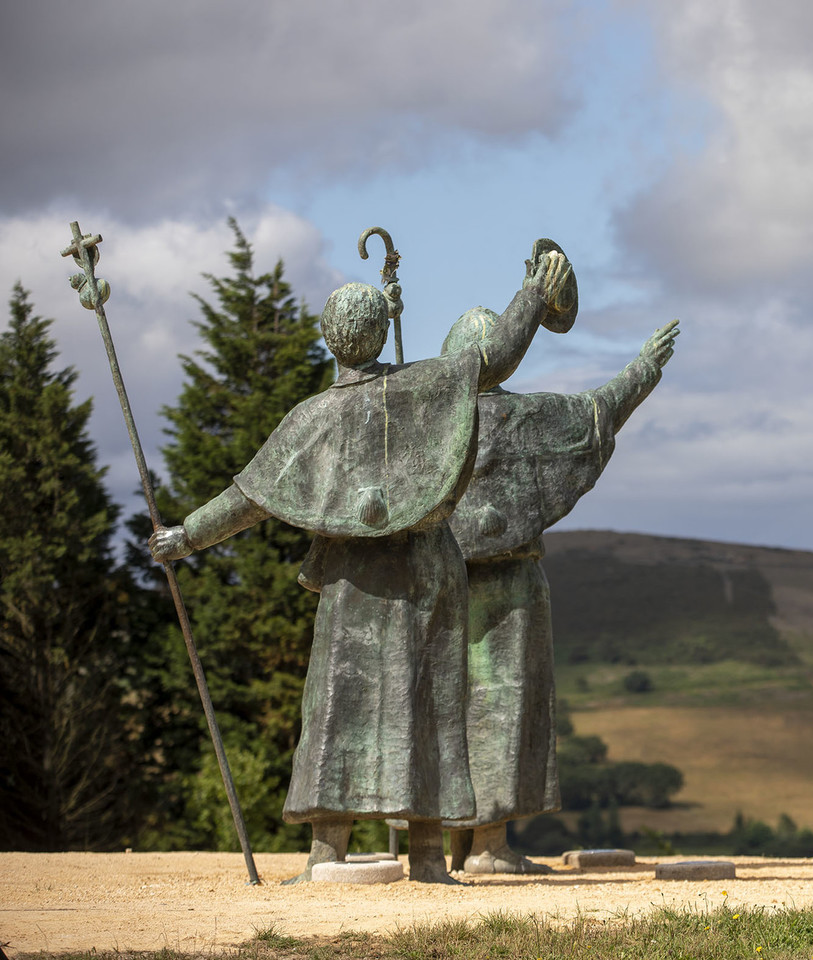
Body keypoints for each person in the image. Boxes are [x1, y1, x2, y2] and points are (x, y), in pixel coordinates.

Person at [149, 244, 575, 883]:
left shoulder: (313, 419)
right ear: (379, 334)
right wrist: (536, 295)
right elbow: (495, 358)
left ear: (329, 340)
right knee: (427, 700)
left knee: (340, 702)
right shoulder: (419, 388)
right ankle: (429, 861)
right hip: (429, 569)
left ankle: (329, 856)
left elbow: (244, 502)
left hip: (359, 578)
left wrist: (183, 536)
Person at [440, 317, 679, 873]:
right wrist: (644, 367)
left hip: (437, 585)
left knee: (447, 707)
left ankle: (452, 847)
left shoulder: (421, 418)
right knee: (499, 703)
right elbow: (597, 413)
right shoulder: (521, 419)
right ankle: (490, 848)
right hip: (508, 589)